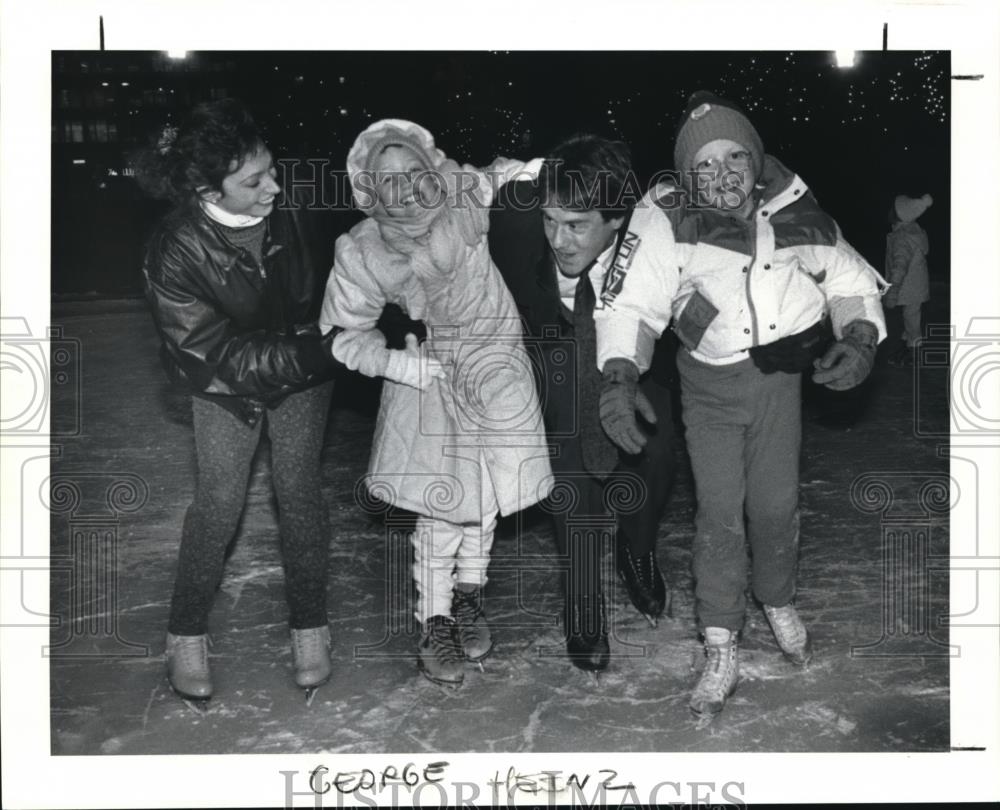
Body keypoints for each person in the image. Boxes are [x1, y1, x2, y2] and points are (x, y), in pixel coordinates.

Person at [594, 92, 887, 717]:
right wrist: (619, 376)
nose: (722, 175)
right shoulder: (666, 219)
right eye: (704, 165)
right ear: (686, 174)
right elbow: (629, 304)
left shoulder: (794, 206)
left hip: (779, 385)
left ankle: (776, 597)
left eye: (734, 156)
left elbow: (852, 281)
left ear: (755, 159)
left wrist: (859, 339)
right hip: (709, 390)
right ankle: (721, 637)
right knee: (722, 514)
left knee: (776, 506)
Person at [319, 119, 553, 688]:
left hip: (498, 366)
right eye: (386, 181)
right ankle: (436, 619)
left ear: (433, 170)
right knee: (443, 506)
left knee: (491, 495)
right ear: (369, 192)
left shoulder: (463, 202)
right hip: (434, 375)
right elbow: (340, 332)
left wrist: (551, 168)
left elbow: (504, 175)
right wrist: (395, 364)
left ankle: (470, 598)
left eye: (413, 173)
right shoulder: (364, 250)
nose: (404, 189)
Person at [138, 99, 344, 702]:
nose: (274, 188)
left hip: (306, 366)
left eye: (272, 170)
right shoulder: (173, 249)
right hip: (224, 384)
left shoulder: (298, 205)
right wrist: (325, 353)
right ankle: (185, 635)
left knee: (299, 488)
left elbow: (381, 217)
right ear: (209, 188)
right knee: (220, 500)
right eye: (253, 182)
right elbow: (212, 354)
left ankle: (311, 625)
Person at [488, 135, 677, 675]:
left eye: (577, 224)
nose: (559, 239)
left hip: (634, 362)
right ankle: (583, 605)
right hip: (556, 356)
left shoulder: (651, 238)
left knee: (654, 457)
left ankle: (636, 551)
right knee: (570, 474)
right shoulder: (515, 227)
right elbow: (476, 185)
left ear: (617, 219)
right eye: (550, 220)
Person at [884, 194, 933, 367]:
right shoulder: (913, 231)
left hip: (908, 286)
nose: (889, 211)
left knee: (911, 319)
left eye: (893, 209)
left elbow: (899, 266)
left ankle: (914, 351)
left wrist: (893, 290)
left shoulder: (902, 238)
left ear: (899, 215)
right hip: (915, 286)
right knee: (910, 317)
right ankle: (908, 347)